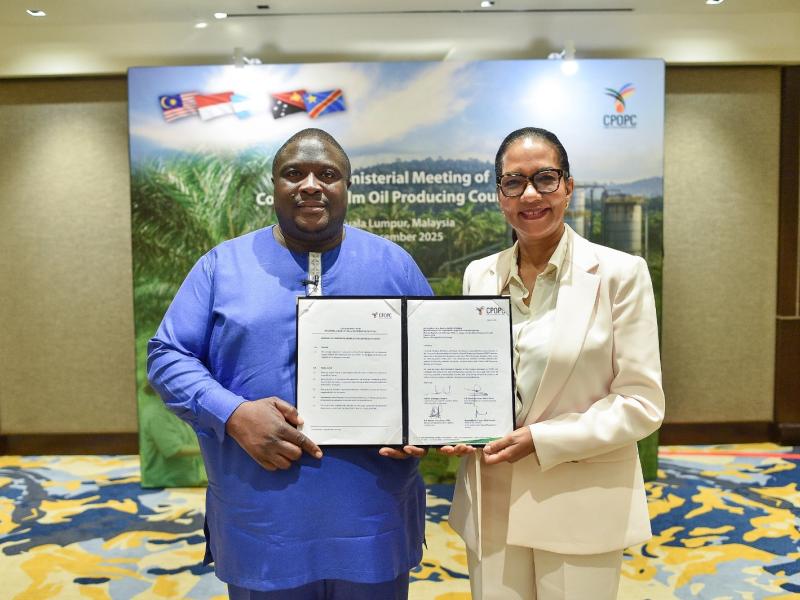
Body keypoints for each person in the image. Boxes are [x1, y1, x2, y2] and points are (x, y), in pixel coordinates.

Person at [147, 128, 431, 599]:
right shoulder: (222, 266)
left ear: (346, 187)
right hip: (262, 523)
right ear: (274, 186)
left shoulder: (393, 264)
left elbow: (432, 363)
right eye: (293, 173)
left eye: (328, 174)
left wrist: (423, 428)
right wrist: (233, 413)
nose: (311, 185)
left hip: (372, 519)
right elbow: (167, 355)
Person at [442, 127, 665, 600]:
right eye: (513, 182)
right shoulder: (479, 275)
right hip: (491, 497)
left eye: (545, 179)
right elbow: (471, 377)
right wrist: (453, 422)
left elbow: (641, 403)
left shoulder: (620, 274)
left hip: (578, 500)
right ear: (499, 195)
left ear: (568, 186)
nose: (529, 194)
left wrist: (540, 439)